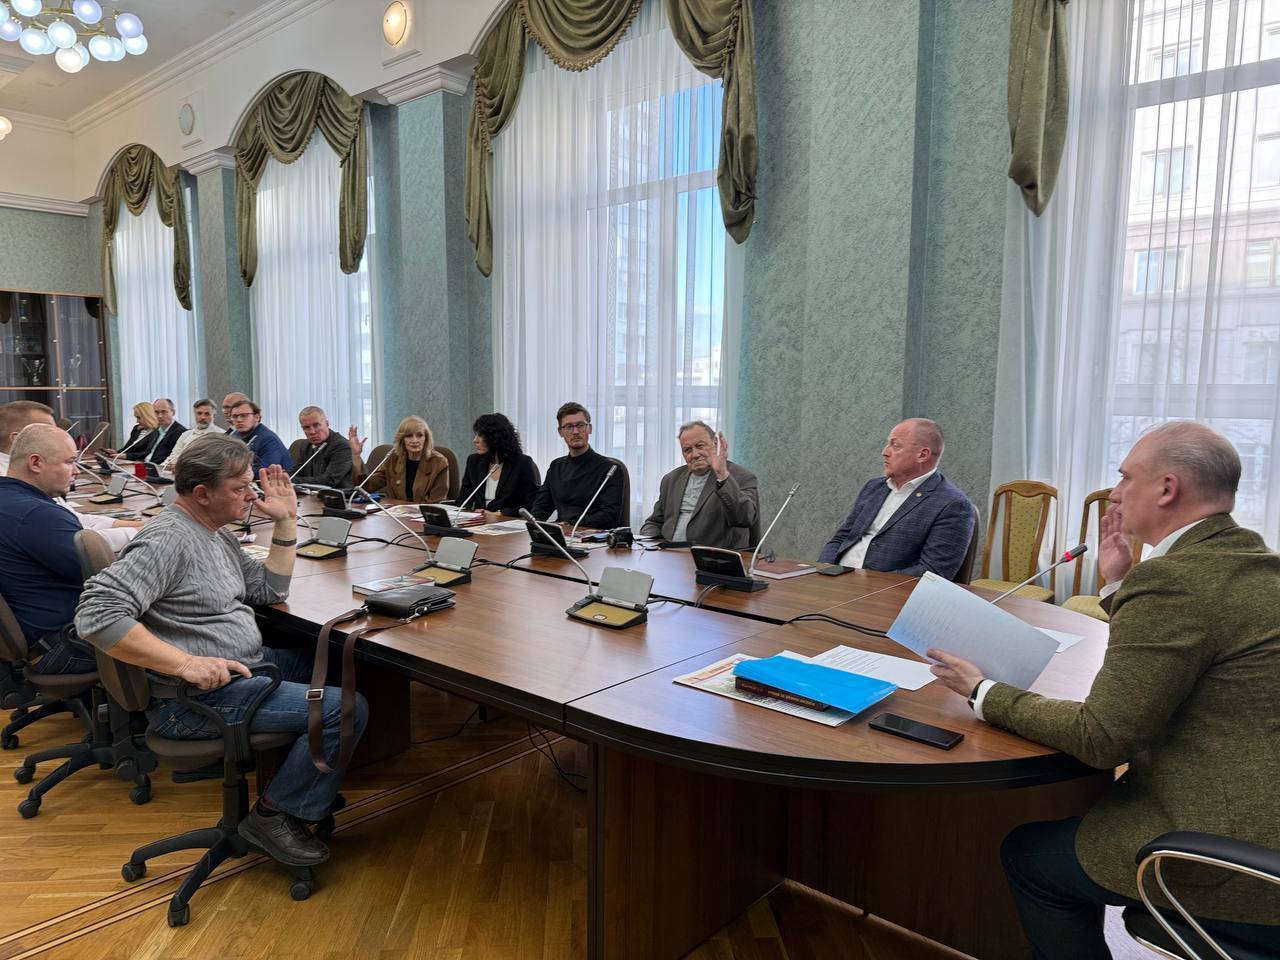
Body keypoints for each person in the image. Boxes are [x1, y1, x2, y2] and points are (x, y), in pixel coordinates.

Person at [928, 421, 1280, 958]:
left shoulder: (1175, 582)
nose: (1114, 493)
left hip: (1234, 853)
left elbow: (1102, 737)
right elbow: (1181, 646)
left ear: (1167, 488)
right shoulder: (1251, 562)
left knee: (1028, 857)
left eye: (1125, 477)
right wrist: (1120, 583)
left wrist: (982, 691)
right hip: (1263, 804)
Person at [75, 435, 366, 867]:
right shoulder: (168, 539)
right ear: (202, 494)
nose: (251, 495)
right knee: (345, 708)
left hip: (243, 670)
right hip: (196, 700)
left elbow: (268, 589)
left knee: (339, 660)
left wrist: (286, 522)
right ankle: (275, 815)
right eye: (240, 487)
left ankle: (302, 782)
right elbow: (96, 614)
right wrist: (186, 663)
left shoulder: (212, 532)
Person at [818, 418, 974, 579]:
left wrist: (865, 583)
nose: (885, 452)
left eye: (896, 445)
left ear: (922, 455)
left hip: (881, 589)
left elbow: (932, 572)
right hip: (836, 579)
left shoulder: (952, 504)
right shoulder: (875, 487)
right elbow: (842, 537)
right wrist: (824, 568)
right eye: (888, 444)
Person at [0, 424, 97, 674]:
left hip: (31, 643)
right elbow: (107, 578)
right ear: (35, 463)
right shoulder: (37, 515)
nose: (76, 471)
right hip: (63, 648)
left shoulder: (9, 502)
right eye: (70, 462)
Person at [0, 400, 140, 546]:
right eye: (47, 430)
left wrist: (141, 525)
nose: (57, 434)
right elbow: (79, 541)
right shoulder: (15, 487)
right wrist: (142, 531)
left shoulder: (35, 478)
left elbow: (75, 520)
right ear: (18, 439)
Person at [640, 422, 759, 549]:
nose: (695, 454)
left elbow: (745, 518)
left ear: (715, 443)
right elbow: (654, 522)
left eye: (700, 446)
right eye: (687, 450)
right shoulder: (671, 479)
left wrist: (722, 475)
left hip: (710, 556)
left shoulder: (741, 477)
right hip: (669, 553)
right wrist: (646, 544)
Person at [530, 402, 624, 530]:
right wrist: (535, 526)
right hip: (561, 534)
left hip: (593, 535)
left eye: (580, 425)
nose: (575, 432)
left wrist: (569, 525)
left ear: (589, 429)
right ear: (560, 432)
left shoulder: (610, 469)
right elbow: (541, 507)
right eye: (569, 427)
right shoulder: (556, 466)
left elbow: (609, 515)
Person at [459, 413, 539, 517]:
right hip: (479, 521)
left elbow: (533, 503)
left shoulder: (523, 463)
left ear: (496, 438)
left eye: (481, 435)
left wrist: (500, 514)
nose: (475, 440)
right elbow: (463, 500)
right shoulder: (473, 461)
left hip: (507, 521)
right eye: (476, 435)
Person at [361, 415, 448, 502]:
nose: (415, 440)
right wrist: (356, 457)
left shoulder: (439, 462)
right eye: (409, 436)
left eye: (420, 435)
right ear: (402, 439)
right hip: (397, 509)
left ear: (426, 438)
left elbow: (436, 501)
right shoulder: (393, 459)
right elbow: (366, 486)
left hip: (424, 510)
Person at [291, 406, 354, 491]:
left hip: (338, 495)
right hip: (311, 495)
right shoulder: (305, 445)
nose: (312, 432)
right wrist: (279, 477)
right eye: (306, 427)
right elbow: (297, 471)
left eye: (316, 425)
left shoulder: (341, 445)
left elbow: (329, 480)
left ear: (327, 423)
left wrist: (290, 481)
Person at [228, 399, 292, 471]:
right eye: (235, 416)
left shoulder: (269, 439)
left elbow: (264, 471)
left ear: (257, 417)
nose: (239, 420)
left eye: (244, 415)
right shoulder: (234, 436)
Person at [162, 399, 222, 472]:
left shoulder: (221, 435)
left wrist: (180, 466)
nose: (202, 417)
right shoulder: (185, 434)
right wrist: (163, 467)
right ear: (194, 415)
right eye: (199, 413)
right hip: (176, 472)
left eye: (207, 414)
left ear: (214, 416)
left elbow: (212, 462)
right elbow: (173, 456)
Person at [139, 397, 186, 465]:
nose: (160, 416)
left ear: (173, 412)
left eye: (164, 412)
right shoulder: (155, 431)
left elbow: (173, 458)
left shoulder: (181, 432)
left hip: (161, 468)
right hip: (146, 465)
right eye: (156, 412)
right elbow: (148, 452)